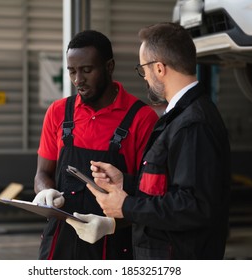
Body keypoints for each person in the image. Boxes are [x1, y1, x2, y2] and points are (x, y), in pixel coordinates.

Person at [66, 22, 231, 260]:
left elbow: (194, 206)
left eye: (144, 69)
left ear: (159, 69)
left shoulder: (193, 124)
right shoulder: (180, 116)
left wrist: (126, 207)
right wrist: (127, 184)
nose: (145, 78)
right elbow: (170, 187)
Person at [32, 30, 159, 260]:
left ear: (109, 66)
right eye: (72, 71)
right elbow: (42, 173)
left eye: (87, 70)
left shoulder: (142, 118)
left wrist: (111, 223)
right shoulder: (58, 112)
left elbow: (150, 196)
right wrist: (45, 192)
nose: (78, 80)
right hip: (59, 245)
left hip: (114, 245)